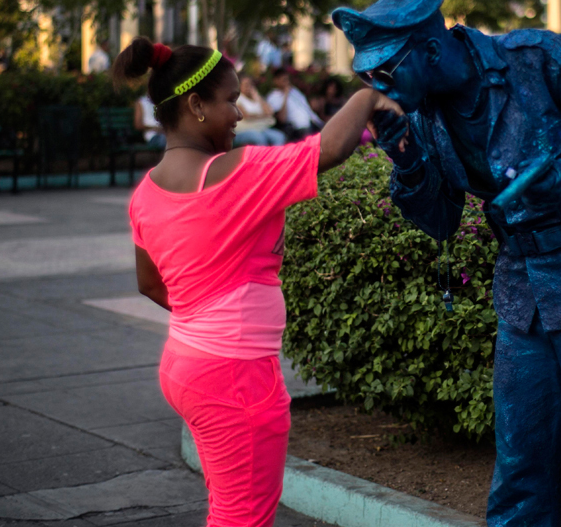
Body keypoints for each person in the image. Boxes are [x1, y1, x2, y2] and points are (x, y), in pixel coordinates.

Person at [333, 0, 561, 527]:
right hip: (522, 294)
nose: (374, 86)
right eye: (364, 76)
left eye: (384, 72)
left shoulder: (538, 58)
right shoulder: (421, 114)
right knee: (520, 474)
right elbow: (441, 221)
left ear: (432, 51)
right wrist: (408, 162)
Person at [117, 38, 402, 527]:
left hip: (187, 366)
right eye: (230, 100)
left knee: (228, 507)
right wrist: (368, 97)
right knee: (243, 517)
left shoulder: (145, 193)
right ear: (195, 105)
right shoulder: (238, 174)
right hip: (235, 380)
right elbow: (329, 149)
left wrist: (206, 313)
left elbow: (150, 284)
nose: (238, 114)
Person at [266, 69, 322, 142]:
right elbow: (282, 118)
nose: (287, 83)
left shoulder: (294, 92)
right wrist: (285, 95)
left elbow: (306, 108)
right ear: (276, 81)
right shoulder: (273, 96)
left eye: (288, 80)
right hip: (297, 128)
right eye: (284, 80)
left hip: (313, 123)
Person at [233, 76, 287, 147]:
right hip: (244, 130)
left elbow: (270, 112)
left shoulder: (256, 98)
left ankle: (276, 157)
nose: (249, 87)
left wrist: (257, 96)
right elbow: (247, 116)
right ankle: (263, 157)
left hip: (261, 129)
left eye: (251, 84)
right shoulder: (238, 99)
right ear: (239, 86)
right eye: (246, 84)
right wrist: (263, 115)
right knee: (259, 138)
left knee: (279, 137)